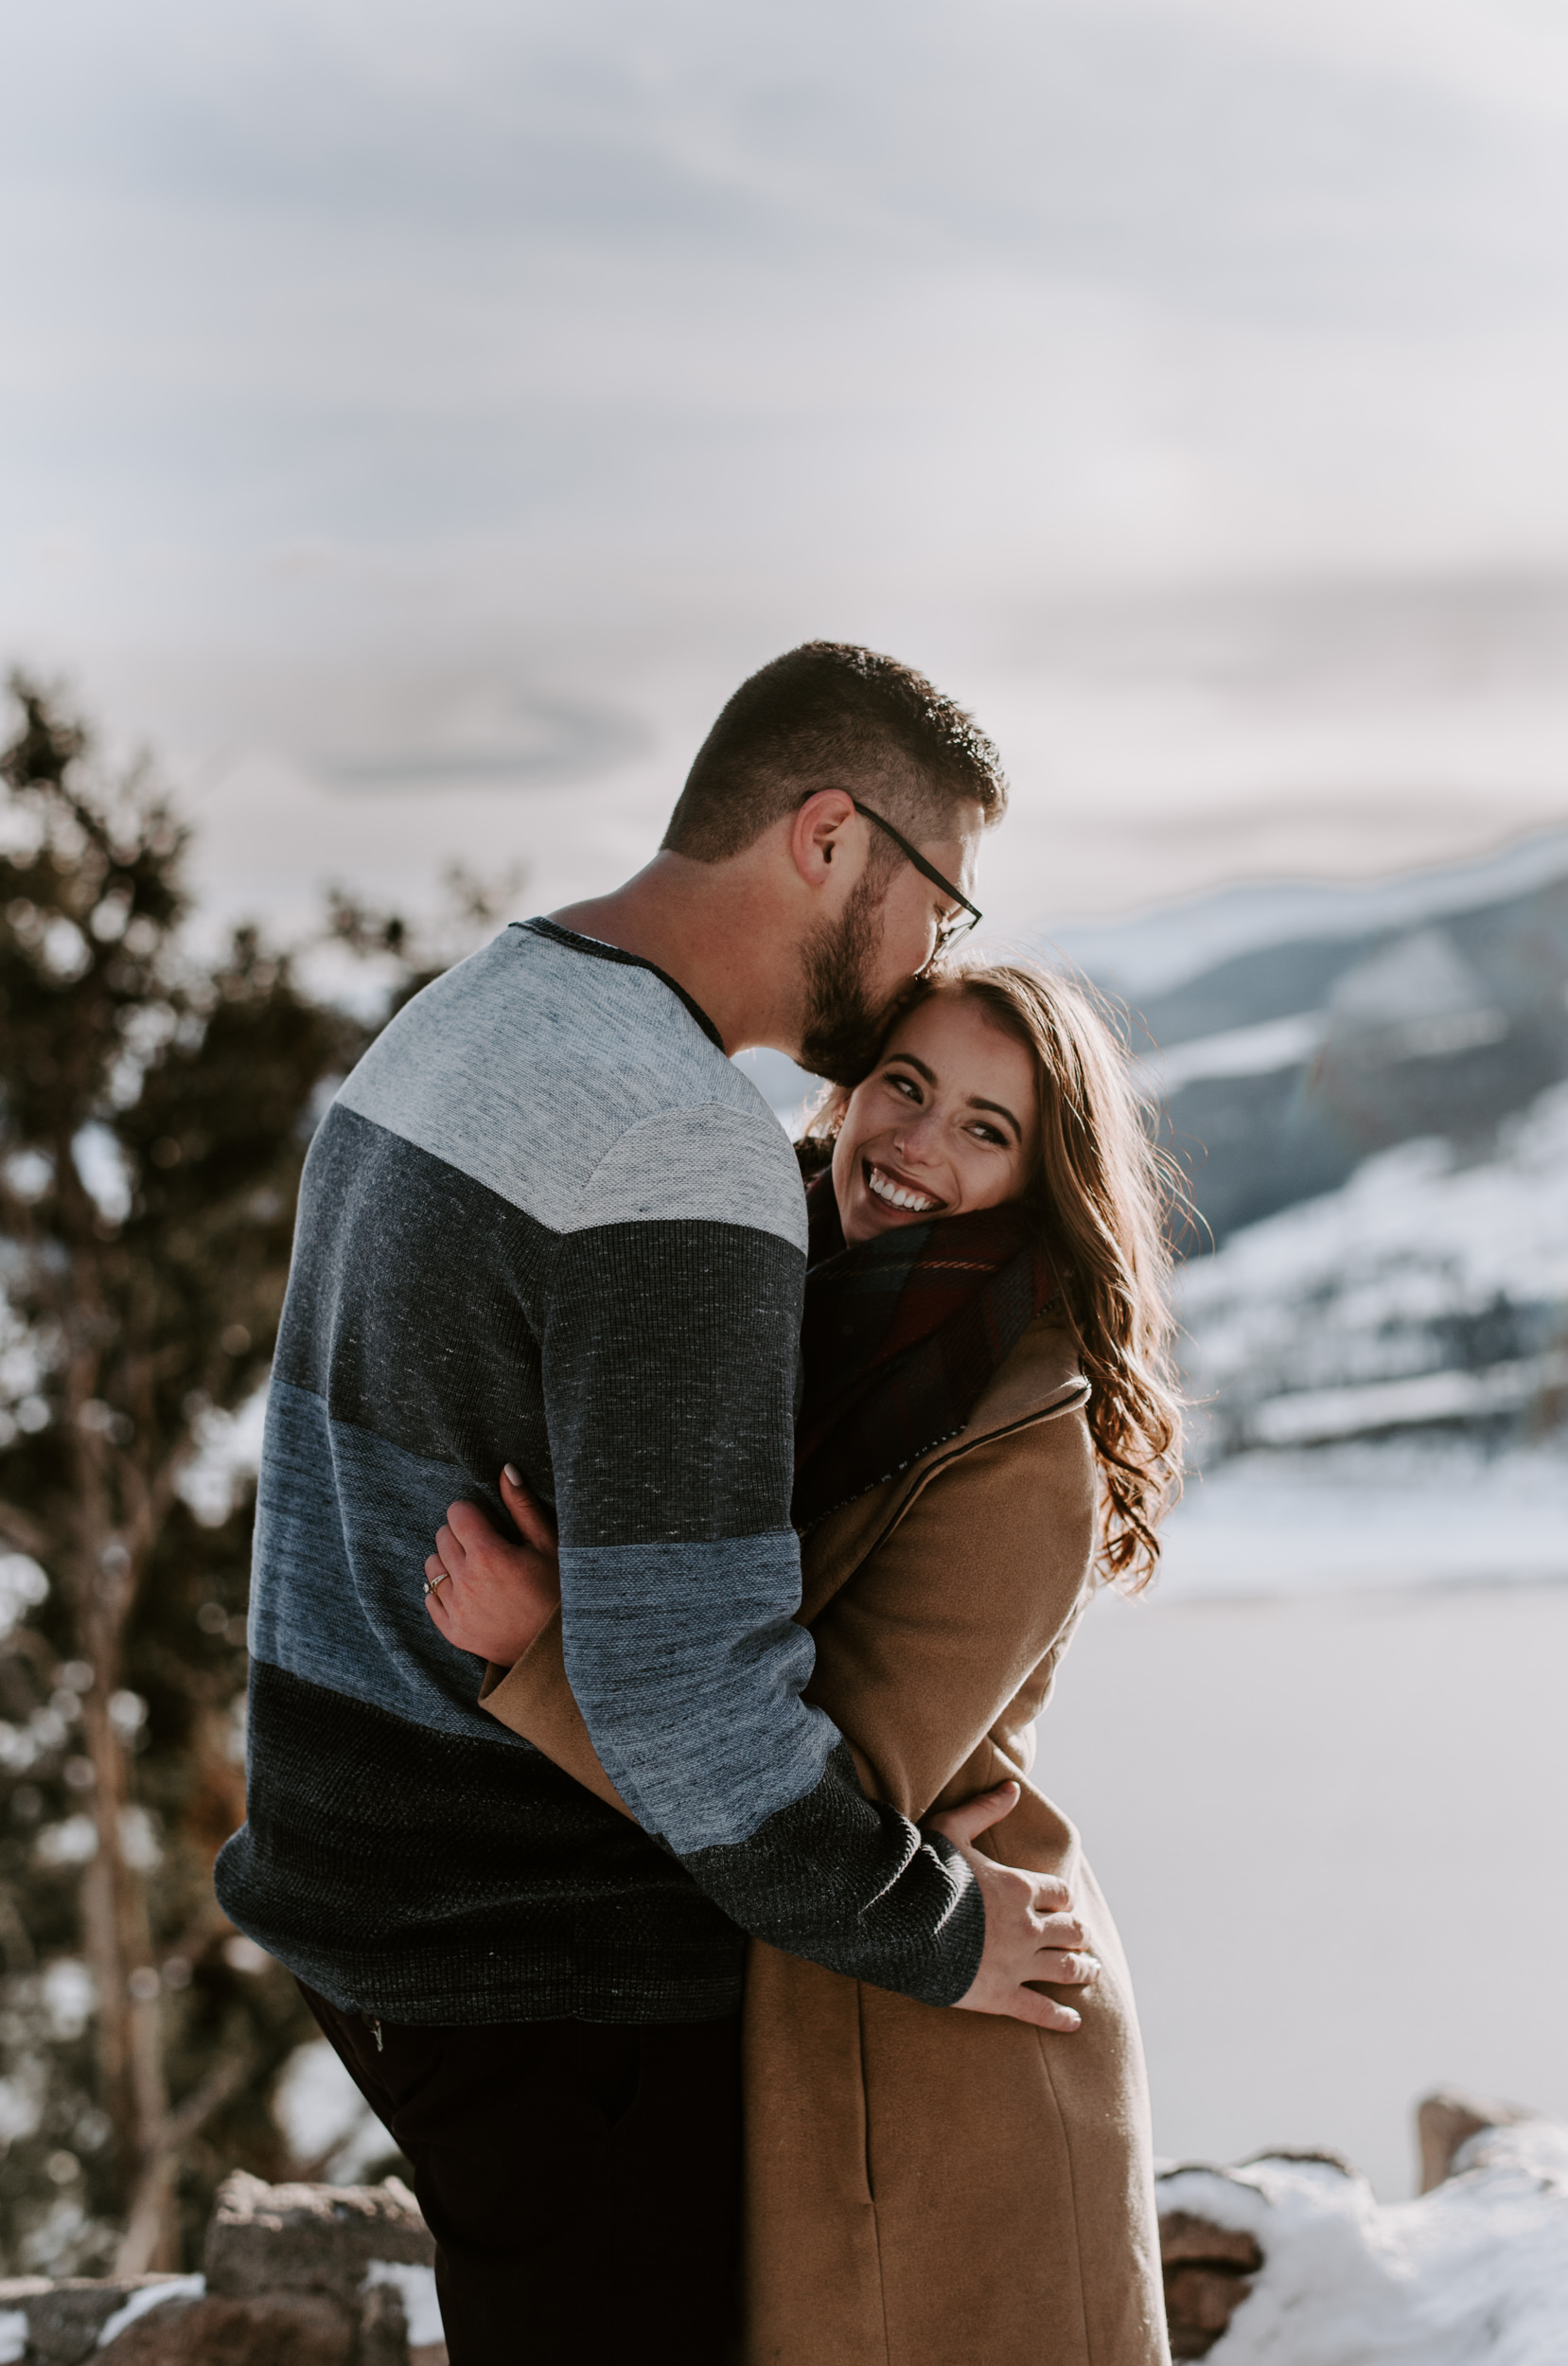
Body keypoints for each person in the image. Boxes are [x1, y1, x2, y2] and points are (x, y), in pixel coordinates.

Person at [214, 644, 1098, 2365]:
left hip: (360, 1884)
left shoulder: (480, 1003)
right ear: (830, 837)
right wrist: (936, 1933)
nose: (933, 959)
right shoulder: (680, 1150)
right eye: (942, 906)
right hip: (532, 1954)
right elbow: (695, 1711)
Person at [434, 960, 1184, 2364]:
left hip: (934, 2042)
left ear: (1040, 1180)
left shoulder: (1022, 1448)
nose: (915, 1145)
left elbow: (811, 1783)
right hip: (805, 1998)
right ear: (846, 1089)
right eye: (904, 1087)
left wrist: (541, 1653)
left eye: (984, 1127)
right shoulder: (744, 1293)